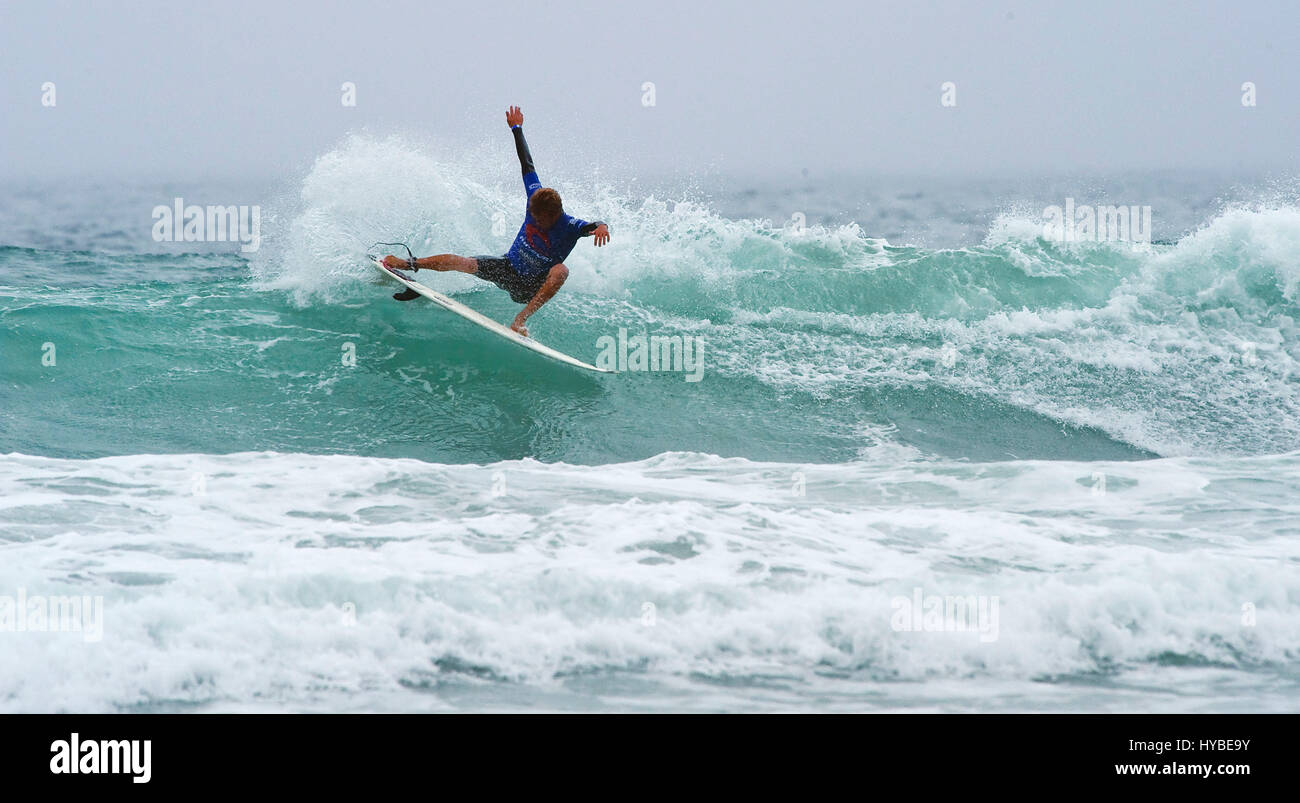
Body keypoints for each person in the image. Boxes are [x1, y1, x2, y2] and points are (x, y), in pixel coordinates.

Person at [382, 105, 610, 336]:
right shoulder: (535, 195)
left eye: (539, 219)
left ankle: (520, 321)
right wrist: (517, 128)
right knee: (466, 262)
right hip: (508, 268)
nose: (534, 220)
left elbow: (592, 225)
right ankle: (409, 263)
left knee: (561, 270)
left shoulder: (569, 226)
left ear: (553, 215)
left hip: (530, 287)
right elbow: (527, 164)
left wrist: (601, 226)